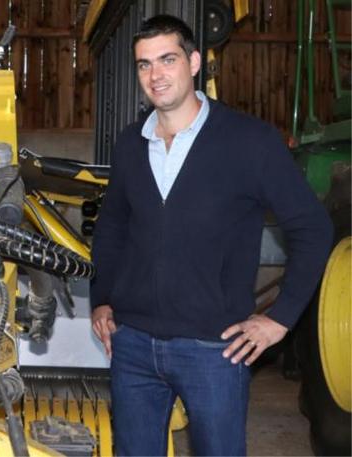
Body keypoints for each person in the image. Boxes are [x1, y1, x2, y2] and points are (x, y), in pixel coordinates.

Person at [89, 15, 333, 456]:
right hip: (133, 348)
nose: (156, 75)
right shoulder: (130, 144)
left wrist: (280, 319)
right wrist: (101, 298)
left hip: (214, 351)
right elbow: (112, 228)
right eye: (144, 65)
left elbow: (312, 227)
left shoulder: (250, 141)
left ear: (195, 61)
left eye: (167, 59)